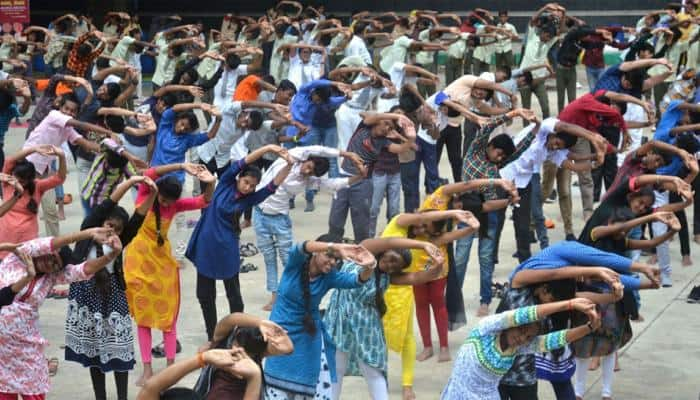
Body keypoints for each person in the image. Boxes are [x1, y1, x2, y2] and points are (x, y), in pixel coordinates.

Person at [186, 145, 294, 341]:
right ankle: (213, 336)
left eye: (252, 186)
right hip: (206, 245)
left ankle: (237, 332)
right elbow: (244, 161)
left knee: (234, 296)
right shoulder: (226, 182)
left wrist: (289, 165)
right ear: (239, 178)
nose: (248, 188)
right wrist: (267, 148)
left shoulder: (249, 199)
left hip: (227, 249)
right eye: (246, 182)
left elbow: (273, 186)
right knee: (205, 295)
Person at [64, 175, 158, 400]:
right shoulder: (87, 231)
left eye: (116, 229)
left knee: (119, 352)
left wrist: (153, 194)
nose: (110, 232)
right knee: (94, 354)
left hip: (113, 299)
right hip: (86, 299)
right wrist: (129, 182)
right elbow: (107, 204)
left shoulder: (120, 240)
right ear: (99, 223)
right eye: (108, 225)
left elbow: (138, 218)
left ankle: (123, 397)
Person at [0, 227, 122, 400]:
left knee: (33, 394)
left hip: (26, 348)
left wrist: (110, 256)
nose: (50, 262)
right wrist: (87, 234)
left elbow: (83, 270)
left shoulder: (51, 278)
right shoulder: (20, 255)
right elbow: (51, 243)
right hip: (1, 351)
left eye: (55, 264)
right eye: (50, 256)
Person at [123, 162, 215, 386]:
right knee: (143, 320)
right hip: (137, 263)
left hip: (162, 265)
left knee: (169, 319)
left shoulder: (174, 206)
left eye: (169, 202)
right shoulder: (147, 191)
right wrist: (182, 166)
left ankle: (171, 368)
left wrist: (210, 183)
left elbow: (204, 201)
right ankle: (147, 370)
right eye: (163, 199)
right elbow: (149, 173)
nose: (165, 204)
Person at [324, 237, 445, 400]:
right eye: (392, 259)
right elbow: (389, 242)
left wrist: (439, 265)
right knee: (334, 370)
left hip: (367, 330)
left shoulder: (388, 277)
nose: (390, 265)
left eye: (396, 266)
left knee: (374, 372)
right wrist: (423, 244)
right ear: (384, 252)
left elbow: (418, 278)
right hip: (339, 324)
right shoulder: (363, 252)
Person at [381, 209, 479, 400]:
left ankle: (407, 384)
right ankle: (379, 379)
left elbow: (450, 236)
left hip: (403, 289)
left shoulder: (427, 241)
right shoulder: (399, 222)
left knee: (408, 337)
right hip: (380, 288)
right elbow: (420, 218)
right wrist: (454, 212)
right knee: (379, 337)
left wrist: (471, 229)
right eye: (420, 224)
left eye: (424, 227)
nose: (420, 228)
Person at [263, 236, 377, 399]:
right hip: (280, 332)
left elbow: (356, 281)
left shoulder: (329, 277)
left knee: (309, 387)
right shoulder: (295, 265)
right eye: (329, 256)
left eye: (336, 260)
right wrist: (335, 246)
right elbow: (301, 247)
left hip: (308, 337)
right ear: (316, 253)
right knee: (276, 388)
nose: (332, 262)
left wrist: (370, 266)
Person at [253, 145, 364, 311]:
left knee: (289, 259)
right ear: (307, 159)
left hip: (279, 220)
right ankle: (274, 297)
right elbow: (319, 149)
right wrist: (346, 154)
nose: (307, 172)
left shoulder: (308, 181)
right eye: (309, 167)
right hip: (259, 213)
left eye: (311, 172)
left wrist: (358, 177)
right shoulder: (293, 156)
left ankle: (296, 294)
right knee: (268, 257)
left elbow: (332, 184)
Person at [442, 299, 602, 400]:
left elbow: (553, 340)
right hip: (458, 393)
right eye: (521, 331)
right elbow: (525, 314)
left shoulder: (519, 348)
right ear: (513, 324)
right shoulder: (487, 328)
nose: (522, 339)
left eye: (528, 337)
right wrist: (570, 304)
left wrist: (589, 328)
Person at [0, 145, 67, 258]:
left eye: (22, 181)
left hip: (27, 238)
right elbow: (10, 160)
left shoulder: (38, 186)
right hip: (6, 235)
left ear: (29, 180)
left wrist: (61, 156)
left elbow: (59, 178)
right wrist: (33, 149)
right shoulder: (8, 181)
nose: (17, 183)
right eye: (16, 178)